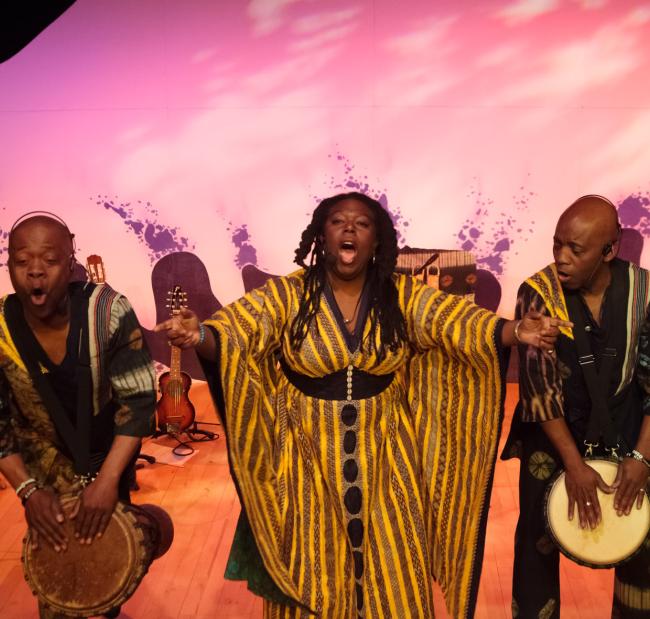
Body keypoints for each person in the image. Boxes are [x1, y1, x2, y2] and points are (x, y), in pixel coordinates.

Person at [156, 192, 567, 619]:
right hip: (306, 457)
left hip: (388, 451)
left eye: (362, 224)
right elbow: (241, 329)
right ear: (322, 234)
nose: (349, 229)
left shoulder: (400, 294)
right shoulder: (288, 295)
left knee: (396, 569)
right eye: (338, 221)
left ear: (376, 240)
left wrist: (515, 331)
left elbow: (454, 322)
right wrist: (199, 336)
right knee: (312, 568)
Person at [0, 213, 156, 618]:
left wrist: (107, 482)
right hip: (42, 474)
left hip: (107, 459)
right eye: (22, 260)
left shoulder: (109, 312)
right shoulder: (0, 327)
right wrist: (28, 491)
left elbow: (138, 403)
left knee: (105, 574)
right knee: (60, 582)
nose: (35, 271)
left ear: (70, 257)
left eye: (49, 259)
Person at [502, 195, 650, 618]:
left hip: (629, 429)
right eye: (557, 245)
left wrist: (641, 457)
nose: (561, 258)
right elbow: (538, 390)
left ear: (609, 251)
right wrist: (574, 465)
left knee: (644, 546)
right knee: (536, 543)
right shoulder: (538, 293)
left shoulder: (645, 292)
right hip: (554, 434)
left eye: (576, 249)